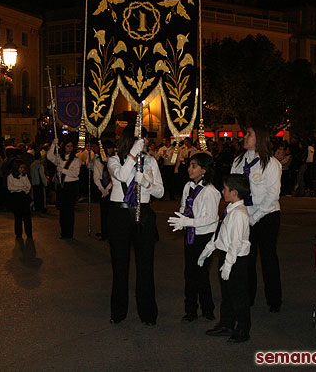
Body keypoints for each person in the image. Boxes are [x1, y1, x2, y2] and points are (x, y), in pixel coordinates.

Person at [107, 125, 164, 326]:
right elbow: (121, 176)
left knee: (145, 265)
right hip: (120, 214)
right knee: (120, 265)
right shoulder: (114, 160)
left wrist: (146, 183)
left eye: (145, 139)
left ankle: (147, 312)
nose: (145, 142)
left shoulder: (150, 161)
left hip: (144, 213)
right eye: (141, 139)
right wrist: (132, 154)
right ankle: (118, 311)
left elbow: (160, 192)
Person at [230, 126, 282, 312]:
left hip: (267, 215)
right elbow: (233, 187)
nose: (244, 137)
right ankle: (247, 296)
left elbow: (272, 195)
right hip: (245, 214)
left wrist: (255, 217)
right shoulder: (238, 161)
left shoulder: (271, 163)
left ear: (260, 138)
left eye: (249, 134)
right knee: (246, 258)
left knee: (268, 257)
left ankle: (274, 300)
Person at [198, 174, 251, 343]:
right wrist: (208, 249)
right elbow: (221, 234)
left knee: (238, 297)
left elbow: (235, 243)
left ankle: (243, 329)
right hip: (226, 256)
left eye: (225, 189)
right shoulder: (230, 209)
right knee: (227, 295)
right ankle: (227, 324)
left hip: (235, 260)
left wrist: (229, 264)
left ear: (234, 192)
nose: (222, 191)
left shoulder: (239, 214)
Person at [168, 153, 220, 322]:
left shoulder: (210, 191)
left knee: (202, 274)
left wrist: (188, 221)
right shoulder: (188, 186)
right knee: (189, 273)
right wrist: (181, 220)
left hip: (204, 237)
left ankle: (207, 308)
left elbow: (211, 218)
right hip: (191, 234)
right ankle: (190, 309)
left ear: (203, 170)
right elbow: (184, 207)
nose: (190, 169)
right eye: (190, 165)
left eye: (194, 166)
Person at [47, 137, 81, 239]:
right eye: (67, 146)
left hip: (71, 187)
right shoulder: (59, 158)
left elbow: (75, 174)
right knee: (62, 211)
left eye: (71, 146)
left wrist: (62, 170)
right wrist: (53, 144)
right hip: (62, 187)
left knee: (69, 211)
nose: (69, 148)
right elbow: (49, 156)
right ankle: (63, 232)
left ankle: (69, 233)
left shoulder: (76, 160)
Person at [93, 140, 114, 240]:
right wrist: (102, 189)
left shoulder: (113, 160)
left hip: (111, 188)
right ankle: (104, 231)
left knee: (111, 212)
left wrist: (108, 188)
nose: (110, 150)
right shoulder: (98, 161)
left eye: (112, 148)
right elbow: (96, 177)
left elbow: (114, 176)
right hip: (102, 187)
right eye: (109, 148)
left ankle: (111, 231)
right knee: (103, 211)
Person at [7, 159, 33, 240]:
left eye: (23, 168)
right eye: (20, 168)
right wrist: (21, 188)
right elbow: (10, 187)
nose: (22, 169)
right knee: (18, 216)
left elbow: (28, 185)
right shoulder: (10, 176)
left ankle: (29, 233)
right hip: (16, 197)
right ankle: (18, 234)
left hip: (24, 197)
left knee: (27, 216)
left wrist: (26, 190)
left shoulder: (24, 176)